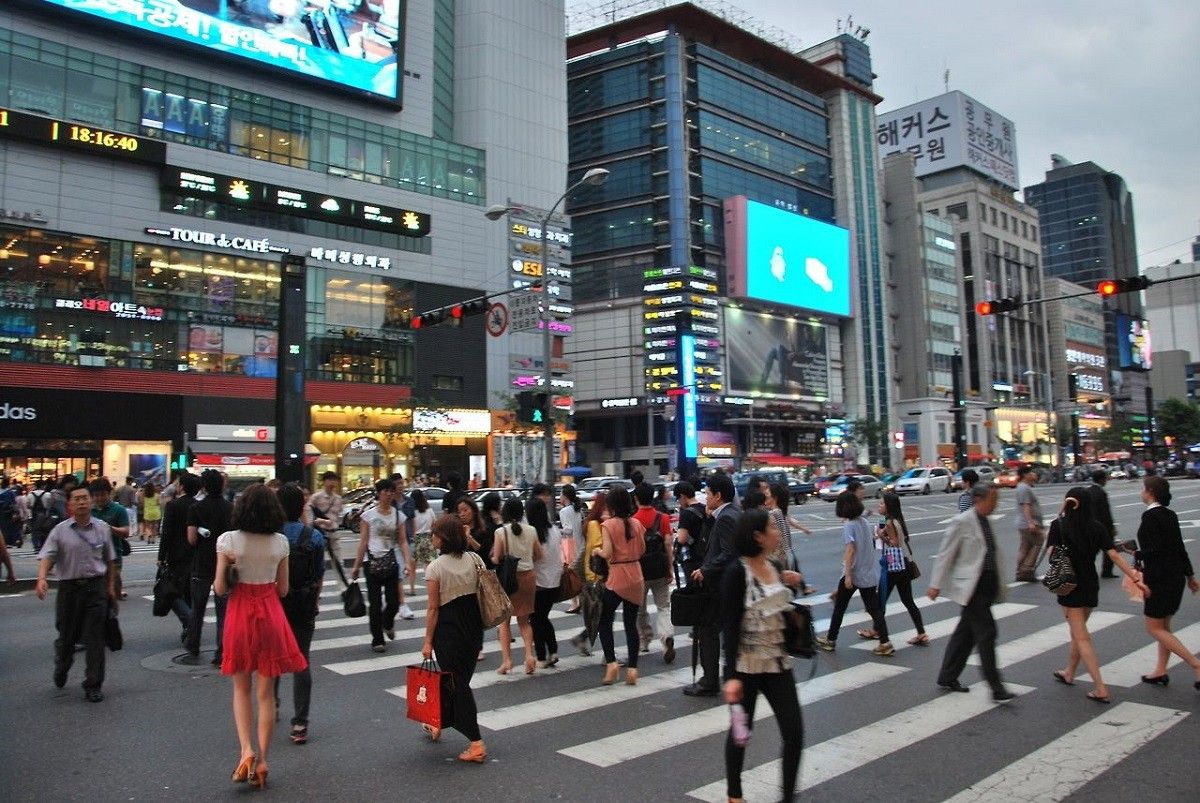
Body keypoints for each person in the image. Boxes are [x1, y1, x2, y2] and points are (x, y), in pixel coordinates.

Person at [214, 484, 307, 789]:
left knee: (241, 689)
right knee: (265, 694)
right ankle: (264, 761)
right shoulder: (280, 543)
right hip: (270, 612)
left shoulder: (228, 542)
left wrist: (230, 565)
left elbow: (219, 589)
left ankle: (246, 750)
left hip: (240, 612)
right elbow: (283, 589)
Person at [721, 508, 804, 803]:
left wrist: (793, 587)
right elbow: (729, 627)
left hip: (778, 662)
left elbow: (782, 606)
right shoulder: (736, 573)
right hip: (746, 666)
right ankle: (735, 794)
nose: (777, 531)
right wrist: (730, 676)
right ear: (757, 536)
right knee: (741, 734)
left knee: (794, 732)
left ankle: (788, 795)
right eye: (771, 527)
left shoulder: (776, 566)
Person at [1046, 487, 1144, 702]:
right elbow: (1114, 557)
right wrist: (1136, 578)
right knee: (1077, 631)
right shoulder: (1097, 527)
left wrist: (1058, 517)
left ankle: (1100, 688)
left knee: (1081, 635)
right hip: (1090, 583)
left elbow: (1050, 555)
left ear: (1069, 503)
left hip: (1069, 584)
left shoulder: (1059, 525)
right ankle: (1069, 672)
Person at [927, 484, 1015, 702]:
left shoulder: (986, 521)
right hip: (972, 587)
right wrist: (935, 584)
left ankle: (948, 676)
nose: (995, 504)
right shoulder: (962, 521)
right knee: (987, 633)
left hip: (986, 585)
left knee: (965, 634)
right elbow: (945, 553)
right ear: (978, 499)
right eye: (992, 500)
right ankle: (996, 686)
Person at [35, 485, 117, 702]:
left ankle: (93, 684)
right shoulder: (60, 530)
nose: (81, 502)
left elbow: (110, 560)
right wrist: (42, 578)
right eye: (77, 499)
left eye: (85, 498)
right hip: (69, 590)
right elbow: (48, 555)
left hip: (95, 588)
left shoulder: (102, 529)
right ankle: (62, 665)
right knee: (67, 636)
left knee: (95, 638)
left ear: (91, 502)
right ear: (69, 504)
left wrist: (110, 588)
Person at [421, 514, 487, 762]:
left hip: (448, 630)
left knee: (457, 684)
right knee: (458, 681)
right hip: (473, 626)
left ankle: (476, 742)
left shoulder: (435, 568)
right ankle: (437, 721)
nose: (432, 538)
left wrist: (427, 641)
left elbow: (433, 608)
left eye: (435, 534)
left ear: (444, 538)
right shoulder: (474, 558)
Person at [1134, 476, 1200, 689]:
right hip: (1176, 578)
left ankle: (1195, 664)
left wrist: (1136, 553)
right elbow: (1179, 547)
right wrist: (1190, 576)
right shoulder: (1170, 515)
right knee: (1164, 626)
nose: (1141, 492)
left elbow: (1154, 551)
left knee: (1154, 627)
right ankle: (1161, 670)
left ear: (1150, 491)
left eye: (1142, 488)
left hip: (1159, 579)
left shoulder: (1150, 517)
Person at [273, 483, 325, 745]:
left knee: (271, 658)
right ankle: (300, 723)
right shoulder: (313, 537)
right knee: (301, 661)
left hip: (275, 605)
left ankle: (272, 704)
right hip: (304, 605)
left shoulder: (271, 535)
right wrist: (313, 603)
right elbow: (318, 577)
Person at [814, 491, 894, 656]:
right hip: (868, 573)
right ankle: (885, 642)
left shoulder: (849, 525)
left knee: (840, 608)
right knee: (874, 609)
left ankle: (830, 640)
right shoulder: (864, 521)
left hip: (854, 573)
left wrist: (848, 575)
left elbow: (850, 550)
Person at [685, 472, 741, 697]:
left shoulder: (727, 517)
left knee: (707, 632)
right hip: (729, 585)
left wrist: (704, 570)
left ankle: (709, 681)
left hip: (720, 585)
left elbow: (729, 552)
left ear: (718, 495)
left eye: (708, 493)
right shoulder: (732, 513)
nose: (705, 497)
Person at [592, 486, 646, 686]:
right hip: (636, 575)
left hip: (617, 577)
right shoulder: (637, 524)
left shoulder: (608, 525)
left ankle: (612, 663)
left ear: (612, 505)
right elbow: (642, 550)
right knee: (631, 624)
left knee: (605, 620)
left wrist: (597, 551)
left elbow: (606, 553)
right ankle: (633, 669)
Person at [350, 479, 412, 653]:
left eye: (392, 491)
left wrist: (407, 562)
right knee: (375, 603)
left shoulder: (398, 516)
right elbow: (363, 542)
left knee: (393, 602)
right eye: (386, 491)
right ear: (379, 493)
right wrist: (356, 567)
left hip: (391, 561)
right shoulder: (368, 516)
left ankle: (388, 623)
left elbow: (402, 541)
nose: (389, 494)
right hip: (371, 562)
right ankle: (377, 639)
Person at [186, 469, 234, 665]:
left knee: (197, 608)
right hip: (224, 565)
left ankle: (193, 645)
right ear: (222, 485)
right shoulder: (231, 508)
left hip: (202, 564)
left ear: (203, 487)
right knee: (223, 611)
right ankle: (220, 651)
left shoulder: (195, 508)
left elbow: (191, 539)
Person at [491, 497, 542, 675]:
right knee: (524, 621)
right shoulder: (532, 530)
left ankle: (507, 661)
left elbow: (496, 559)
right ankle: (529, 656)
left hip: (508, 580)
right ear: (522, 512)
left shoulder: (500, 533)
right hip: (528, 577)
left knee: (504, 622)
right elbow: (538, 554)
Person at [876, 493, 928, 645]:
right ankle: (921, 633)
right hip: (904, 564)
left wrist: (881, 536)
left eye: (881, 503)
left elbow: (895, 543)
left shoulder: (891, 522)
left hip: (895, 566)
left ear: (888, 506)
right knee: (908, 600)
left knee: (880, 601)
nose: (879, 506)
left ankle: (878, 633)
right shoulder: (897, 520)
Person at [632, 482, 674, 661]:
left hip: (640, 571)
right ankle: (666, 638)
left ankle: (644, 640)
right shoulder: (663, 518)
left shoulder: (633, 520)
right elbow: (668, 544)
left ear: (636, 499)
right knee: (663, 607)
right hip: (659, 569)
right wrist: (670, 567)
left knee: (640, 609)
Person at [159, 472, 201, 642]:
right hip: (195, 554)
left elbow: (166, 533)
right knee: (189, 591)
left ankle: (189, 621)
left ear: (182, 486)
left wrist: (162, 556)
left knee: (174, 592)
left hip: (176, 555)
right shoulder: (199, 505)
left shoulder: (173, 506)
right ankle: (189, 624)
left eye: (178, 483)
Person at [569, 491, 609, 657]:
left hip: (597, 573)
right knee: (603, 614)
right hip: (596, 575)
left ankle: (583, 638)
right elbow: (598, 547)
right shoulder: (594, 524)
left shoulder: (595, 523)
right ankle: (608, 656)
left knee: (603, 614)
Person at [528, 497, 563, 667]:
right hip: (555, 580)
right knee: (542, 617)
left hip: (539, 582)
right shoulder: (555, 530)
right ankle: (553, 651)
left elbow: (533, 558)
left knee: (536, 619)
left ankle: (542, 656)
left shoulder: (533, 533)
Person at [765, 482, 814, 595]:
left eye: (767, 496)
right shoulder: (780, 512)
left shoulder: (774, 514)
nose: (765, 500)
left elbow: (777, 539)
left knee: (782, 593)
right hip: (786, 556)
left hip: (780, 558)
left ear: (774, 497)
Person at [89, 478, 131, 601]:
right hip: (93, 556)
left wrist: (109, 528)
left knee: (114, 588)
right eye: (96, 495)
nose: (99, 498)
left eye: (103, 494)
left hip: (114, 555)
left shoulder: (119, 510)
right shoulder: (89, 511)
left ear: (109, 493)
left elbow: (126, 532)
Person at [1013, 467, 1044, 581]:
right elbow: (1026, 506)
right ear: (1025, 475)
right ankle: (1026, 570)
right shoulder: (1024, 488)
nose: (1034, 475)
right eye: (1031, 473)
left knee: (1025, 546)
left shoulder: (1023, 487)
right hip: (1027, 523)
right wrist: (1031, 522)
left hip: (1024, 523)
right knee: (1038, 542)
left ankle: (1020, 571)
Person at [1086, 470, 1118, 578]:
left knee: (1092, 550)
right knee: (1109, 548)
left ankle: (1086, 570)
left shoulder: (1087, 491)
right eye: (1105, 478)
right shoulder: (1101, 493)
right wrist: (1111, 527)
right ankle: (1107, 571)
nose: (1106, 481)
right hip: (1102, 526)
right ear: (1101, 480)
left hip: (1089, 524)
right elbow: (1105, 513)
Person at [559, 485, 585, 612]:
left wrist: (558, 531)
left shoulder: (563, 511)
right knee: (579, 573)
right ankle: (581, 601)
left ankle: (574, 603)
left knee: (570, 574)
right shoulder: (578, 509)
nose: (559, 497)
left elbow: (568, 530)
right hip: (580, 541)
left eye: (560, 494)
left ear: (565, 496)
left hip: (569, 544)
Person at [408, 489, 436, 595]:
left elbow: (411, 527)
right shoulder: (429, 510)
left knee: (412, 567)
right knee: (429, 566)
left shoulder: (413, 513)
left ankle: (412, 589)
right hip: (428, 539)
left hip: (416, 540)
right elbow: (434, 523)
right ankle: (432, 588)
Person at [308, 471, 344, 541]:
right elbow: (308, 511)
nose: (333, 482)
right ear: (324, 482)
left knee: (336, 551)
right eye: (330, 480)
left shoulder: (338, 499)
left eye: (335, 480)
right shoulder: (316, 497)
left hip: (334, 533)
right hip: (320, 532)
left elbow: (339, 514)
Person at [115, 476, 138, 540]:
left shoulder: (119, 489)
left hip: (121, 506)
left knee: (123, 521)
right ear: (131, 481)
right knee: (130, 521)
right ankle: (129, 533)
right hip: (129, 507)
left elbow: (115, 498)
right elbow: (133, 501)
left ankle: (123, 532)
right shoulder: (131, 489)